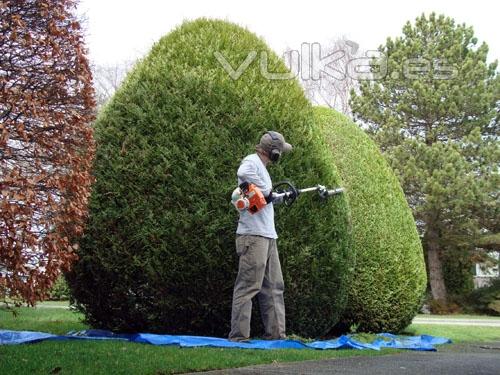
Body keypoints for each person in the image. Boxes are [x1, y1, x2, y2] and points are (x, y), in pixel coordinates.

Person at [228, 130, 293, 342]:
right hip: (253, 237)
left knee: (274, 287)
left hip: (267, 235)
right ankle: (239, 337)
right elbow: (243, 173)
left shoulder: (263, 169)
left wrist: (279, 197)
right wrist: (267, 191)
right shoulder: (251, 162)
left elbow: (263, 199)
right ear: (274, 153)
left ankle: (276, 336)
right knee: (248, 287)